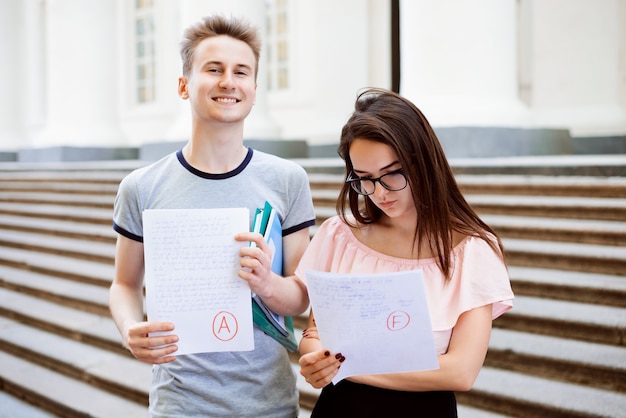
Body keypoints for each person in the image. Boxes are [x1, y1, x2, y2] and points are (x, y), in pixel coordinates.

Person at [109, 15, 315, 417]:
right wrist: (130, 329)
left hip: (268, 403)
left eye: (241, 72)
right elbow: (124, 284)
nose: (228, 82)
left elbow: (302, 294)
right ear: (184, 86)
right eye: (214, 69)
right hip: (179, 403)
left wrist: (266, 282)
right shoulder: (142, 187)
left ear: (254, 89)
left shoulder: (288, 180)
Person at [297, 88, 514, 417]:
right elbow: (314, 334)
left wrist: (346, 365)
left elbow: (460, 371)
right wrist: (315, 361)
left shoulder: (472, 251)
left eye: (391, 173)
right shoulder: (340, 236)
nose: (379, 192)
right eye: (365, 179)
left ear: (422, 161)